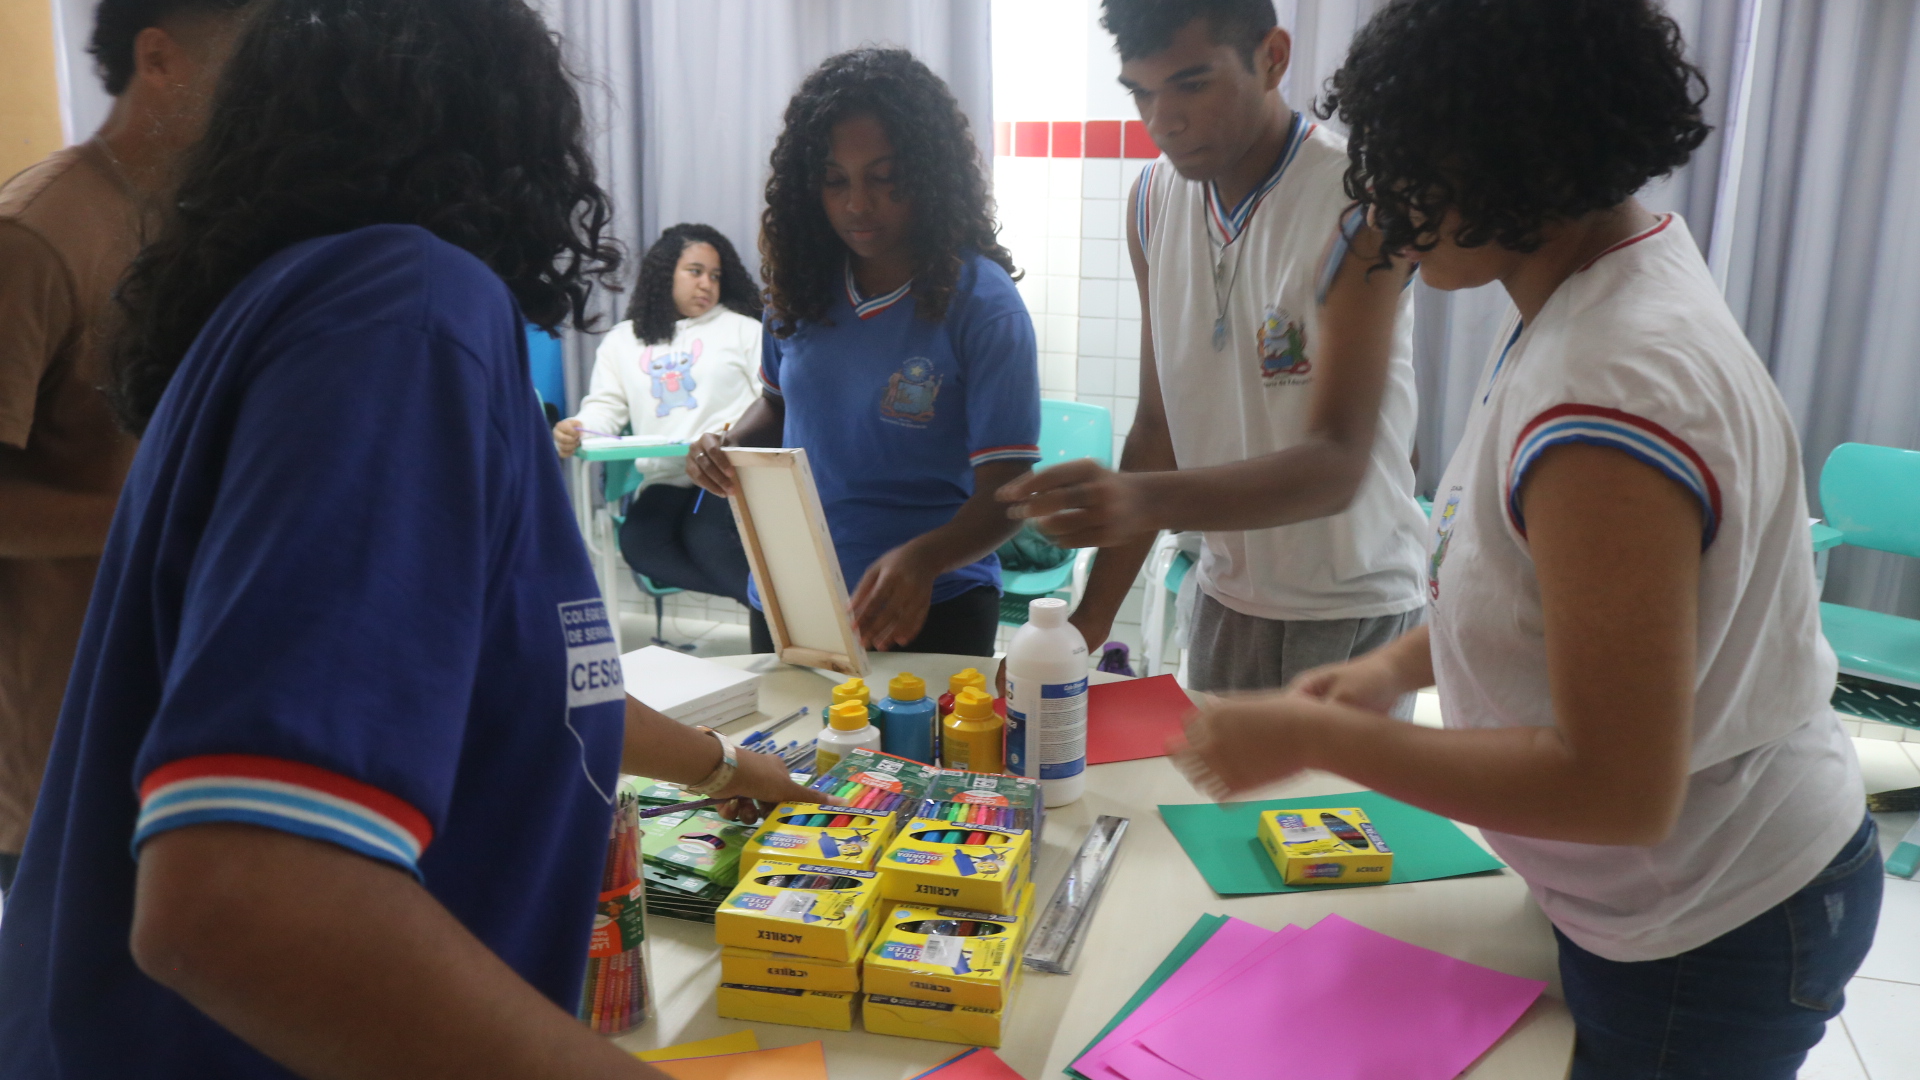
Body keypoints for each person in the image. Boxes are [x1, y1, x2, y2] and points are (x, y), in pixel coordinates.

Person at [0, 1, 823, 1077]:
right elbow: (238, 900)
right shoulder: (404, 310)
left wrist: (725, 767)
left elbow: (529, 679)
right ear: (507, 125)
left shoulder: (318, 307)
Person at [1175, 2, 1879, 1077]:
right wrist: (1391, 670)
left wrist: (1317, 738)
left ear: (1517, 147)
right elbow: (1549, 593)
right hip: (1665, 887)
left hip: (1709, 921)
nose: (1386, 207)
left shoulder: (1606, 388)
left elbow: (1617, 786)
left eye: (1415, 167)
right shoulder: (1607, 284)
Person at [996, 0, 1427, 694]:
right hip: (1223, 593)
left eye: (1191, 84)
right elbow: (1158, 429)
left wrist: (1142, 500)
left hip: (1348, 605)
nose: (1162, 120)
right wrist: (1087, 622)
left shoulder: (1356, 201)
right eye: (1141, 93)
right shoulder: (1150, 202)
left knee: (1305, 776)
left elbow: (1336, 465)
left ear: (1272, 58)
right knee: (1203, 770)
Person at [0, 0, 252, 902]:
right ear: (159, 60)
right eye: (247, 63)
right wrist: (165, 520)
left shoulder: (209, 231)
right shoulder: (34, 235)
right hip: (63, 756)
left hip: (186, 719)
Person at [686, 47, 1041, 658]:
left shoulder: (983, 306)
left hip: (932, 604)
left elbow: (1010, 492)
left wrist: (924, 560)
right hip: (792, 596)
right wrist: (727, 446)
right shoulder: (798, 287)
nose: (857, 204)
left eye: (883, 177)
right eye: (835, 180)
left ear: (928, 175)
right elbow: (777, 405)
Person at [554, 223, 761, 607]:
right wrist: (579, 428)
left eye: (715, 276)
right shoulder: (622, 340)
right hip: (666, 476)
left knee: (709, 539)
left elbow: (772, 402)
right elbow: (606, 406)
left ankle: (775, 609)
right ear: (664, 273)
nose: (707, 284)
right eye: (695, 271)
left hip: (728, 473)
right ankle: (772, 601)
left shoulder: (744, 331)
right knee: (641, 545)